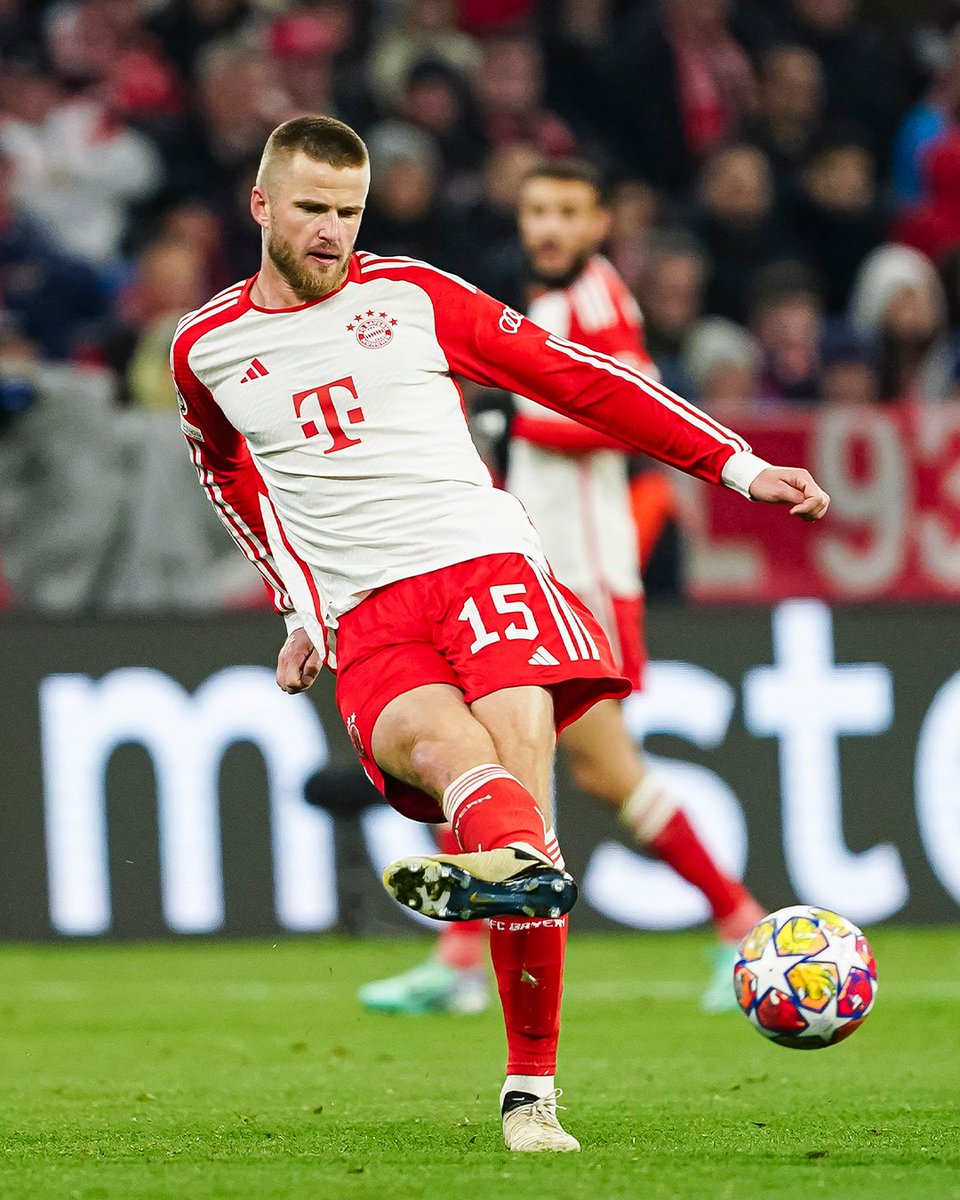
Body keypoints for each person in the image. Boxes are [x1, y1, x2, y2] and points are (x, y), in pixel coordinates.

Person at [170, 115, 829, 1153]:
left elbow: (582, 379)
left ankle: (531, 1094)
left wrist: (737, 466)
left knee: (519, 806)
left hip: (487, 569)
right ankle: (505, 880)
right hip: (368, 614)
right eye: (312, 210)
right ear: (262, 207)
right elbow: (228, 479)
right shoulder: (207, 348)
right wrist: (298, 604)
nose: (333, 232)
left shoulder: (416, 297)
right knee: (461, 775)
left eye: (349, 212)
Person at [359, 160, 766, 1019]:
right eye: (536, 210)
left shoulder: (597, 299)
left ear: (599, 224)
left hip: (581, 574)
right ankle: (464, 956)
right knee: (506, 755)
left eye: (567, 213)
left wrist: (514, 414)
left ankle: (737, 922)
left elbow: (627, 403)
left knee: (598, 770)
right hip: (531, 570)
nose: (547, 227)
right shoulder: (545, 304)